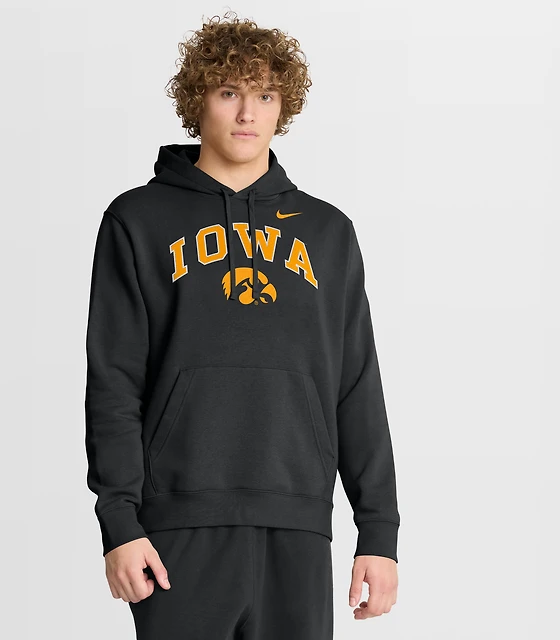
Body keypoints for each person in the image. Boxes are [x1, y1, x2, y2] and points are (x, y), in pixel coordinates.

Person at [84, 11, 400, 639]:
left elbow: (357, 386)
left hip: (297, 522)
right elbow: (114, 382)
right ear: (197, 99)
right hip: (175, 527)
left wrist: (378, 532)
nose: (248, 113)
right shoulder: (137, 221)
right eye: (229, 92)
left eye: (266, 95)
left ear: (285, 107)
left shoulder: (328, 232)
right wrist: (119, 522)